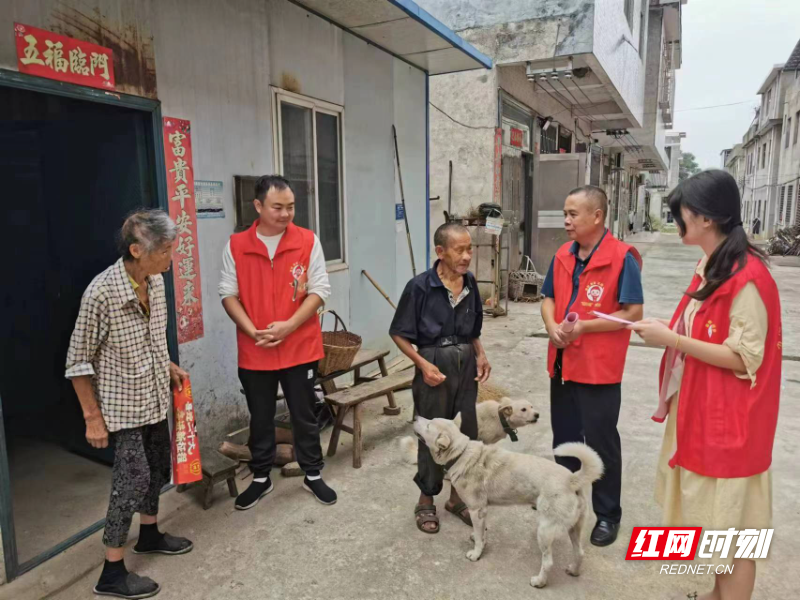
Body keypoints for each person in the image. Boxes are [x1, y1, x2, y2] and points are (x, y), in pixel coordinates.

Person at [630, 170, 781, 600]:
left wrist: (674, 340)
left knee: (736, 539)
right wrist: (668, 327)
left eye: (682, 212)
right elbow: (704, 330)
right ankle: (717, 594)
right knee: (720, 525)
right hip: (704, 411)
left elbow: (745, 357)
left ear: (705, 219)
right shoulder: (715, 265)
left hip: (732, 424)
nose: (678, 219)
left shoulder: (748, 278)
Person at [66, 210, 193, 600]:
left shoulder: (154, 283)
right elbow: (77, 361)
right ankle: (112, 572)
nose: (173, 255)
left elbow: (154, 339)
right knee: (130, 481)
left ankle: (150, 534)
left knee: (157, 467)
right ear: (137, 250)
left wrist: (168, 364)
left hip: (154, 396)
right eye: (167, 249)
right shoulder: (101, 292)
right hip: (122, 408)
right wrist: (92, 418)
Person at [219, 175, 336, 509]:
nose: (286, 214)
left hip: (300, 346)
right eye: (278, 207)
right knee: (260, 415)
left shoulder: (307, 240)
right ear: (258, 206)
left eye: (291, 207)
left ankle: (313, 474)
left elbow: (320, 290)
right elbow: (228, 293)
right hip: (255, 350)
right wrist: (250, 329)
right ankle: (260, 477)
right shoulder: (237, 245)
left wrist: (288, 327)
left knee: (304, 414)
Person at [540, 185, 644, 547]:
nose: (566, 221)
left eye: (573, 214)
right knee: (565, 441)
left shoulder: (621, 257)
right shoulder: (563, 255)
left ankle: (607, 515)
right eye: (565, 213)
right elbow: (548, 297)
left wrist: (585, 326)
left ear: (597, 216)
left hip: (599, 369)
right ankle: (564, 506)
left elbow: (632, 313)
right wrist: (552, 326)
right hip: (563, 365)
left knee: (600, 444)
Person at [390, 222, 491, 534]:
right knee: (432, 434)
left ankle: (456, 497)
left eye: (469, 249)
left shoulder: (470, 283)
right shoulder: (420, 287)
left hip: (466, 364)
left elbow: (473, 329)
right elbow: (398, 333)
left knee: (468, 433)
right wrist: (422, 364)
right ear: (440, 251)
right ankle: (426, 500)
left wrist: (481, 353)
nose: (466, 256)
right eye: (459, 250)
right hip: (434, 363)